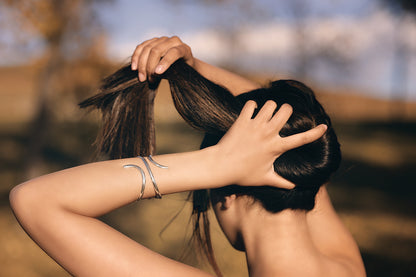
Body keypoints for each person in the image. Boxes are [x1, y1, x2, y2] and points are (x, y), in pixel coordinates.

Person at [9, 36, 366, 277]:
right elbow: (294, 135)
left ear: (224, 192)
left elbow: (36, 200)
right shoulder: (347, 267)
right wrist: (194, 67)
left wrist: (214, 165)